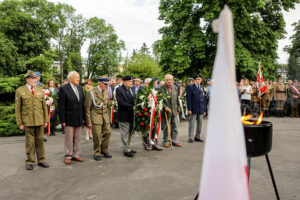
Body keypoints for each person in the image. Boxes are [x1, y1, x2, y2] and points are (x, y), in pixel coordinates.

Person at [15, 70, 49, 170]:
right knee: (30, 143)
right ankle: (30, 161)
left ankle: (41, 160)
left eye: (35, 78)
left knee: (40, 142)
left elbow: (44, 107)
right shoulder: (20, 90)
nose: (35, 80)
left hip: (39, 120)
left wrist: (46, 120)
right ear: (27, 79)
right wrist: (20, 122)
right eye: (32, 78)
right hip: (28, 121)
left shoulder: (39, 89)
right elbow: (18, 109)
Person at [58, 71, 85, 164]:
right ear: (70, 78)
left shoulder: (80, 88)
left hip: (79, 118)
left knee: (77, 138)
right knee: (69, 138)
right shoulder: (63, 88)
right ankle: (68, 155)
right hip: (68, 118)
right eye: (76, 77)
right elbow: (61, 106)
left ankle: (75, 155)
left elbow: (82, 104)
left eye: (79, 77)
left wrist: (83, 117)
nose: (78, 79)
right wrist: (62, 120)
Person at [85, 78, 112, 161]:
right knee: (97, 135)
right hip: (96, 117)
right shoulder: (92, 92)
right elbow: (87, 108)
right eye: (105, 84)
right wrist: (88, 122)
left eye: (107, 84)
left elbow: (107, 106)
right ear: (100, 83)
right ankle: (97, 152)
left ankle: (104, 150)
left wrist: (108, 117)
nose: (107, 86)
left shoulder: (107, 91)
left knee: (108, 132)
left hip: (105, 117)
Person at [159, 74, 182, 147]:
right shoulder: (161, 88)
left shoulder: (175, 87)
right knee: (166, 127)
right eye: (167, 79)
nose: (169, 81)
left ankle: (174, 140)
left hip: (174, 110)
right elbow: (159, 100)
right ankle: (165, 141)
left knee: (175, 126)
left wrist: (178, 108)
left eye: (170, 79)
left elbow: (177, 99)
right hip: (166, 111)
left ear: (173, 80)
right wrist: (165, 107)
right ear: (165, 80)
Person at [116, 75, 136, 157]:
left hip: (131, 114)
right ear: (124, 82)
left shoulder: (131, 89)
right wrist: (131, 106)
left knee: (130, 133)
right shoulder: (119, 89)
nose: (131, 83)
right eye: (129, 82)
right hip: (124, 114)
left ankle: (128, 147)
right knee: (125, 133)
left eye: (132, 81)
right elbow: (120, 102)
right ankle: (126, 150)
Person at [186, 74, 206, 143]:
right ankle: (191, 137)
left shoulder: (202, 87)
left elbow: (203, 99)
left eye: (199, 79)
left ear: (201, 80)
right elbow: (188, 99)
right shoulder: (190, 87)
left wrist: (204, 109)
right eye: (196, 79)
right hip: (193, 108)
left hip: (200, 108)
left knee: (200, 123)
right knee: (192, 123)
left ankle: (197, 136)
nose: (198, 80)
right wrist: (189, 109)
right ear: (194, 80)